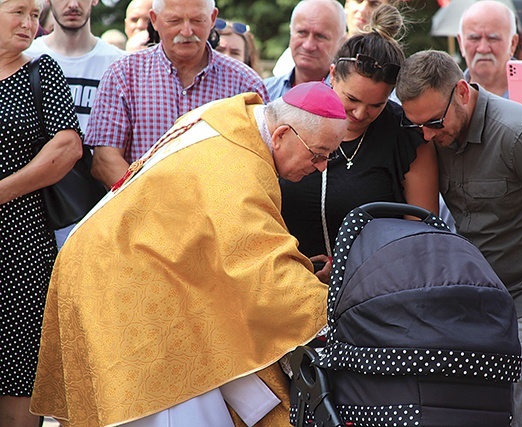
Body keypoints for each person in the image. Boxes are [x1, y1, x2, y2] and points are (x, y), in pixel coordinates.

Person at [29, 82, 348, 427]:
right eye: (318, 154)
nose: (321, 167)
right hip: (128, 283)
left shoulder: (230, 117)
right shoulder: (236, 168)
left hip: (131, 264)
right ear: (282, 134)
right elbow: (261, 269)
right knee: (167, 405)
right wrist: (340, 310)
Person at [396, 49, 522, 427]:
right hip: (488, 301)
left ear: (461, 91)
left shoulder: (520, 133)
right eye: (417, 126)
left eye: (435, 122)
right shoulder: (437, 135)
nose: (427, 134)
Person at [280, 4, 438, 273]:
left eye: (377, 105)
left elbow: (423, 235)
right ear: (331, 76)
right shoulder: (295, 117)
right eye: (351, 99)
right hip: (288, 282)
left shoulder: (408, 136)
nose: (361, 113)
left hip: (373, 287)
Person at [0, 0, 83, 424]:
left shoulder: (42, 70)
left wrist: (3, 191)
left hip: (20, 249)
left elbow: (67, 147)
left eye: (35, 15)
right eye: (19, 11)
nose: (30, 23)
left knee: (19, 375)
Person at [86, 0, 269, 188]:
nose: (187, 31)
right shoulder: (124, 74)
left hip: (218, 212)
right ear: (154, 20)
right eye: (174, 21)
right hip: (142, 210)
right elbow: (105, 160)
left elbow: (259, 164)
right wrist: (151, 206)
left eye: (197, 20)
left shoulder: (245, 84)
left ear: (213, 18)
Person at [25, 0, 124, 248]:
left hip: (100, 200)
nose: (72, 4)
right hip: (38, 201)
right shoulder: (28, 58)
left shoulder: (119, 63)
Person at [458, 0, 522, 102]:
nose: (483, 48)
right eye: (474, 38)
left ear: (513, 43)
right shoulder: (447, 101)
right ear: (460, 43)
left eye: (493, 39)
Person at [271, 0, 391, 77]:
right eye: (358, 1)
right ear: (347, 4)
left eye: (374, 4)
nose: (363, 9)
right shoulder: (292, 57)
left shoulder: (390, 64)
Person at [264, 0, 346, 100]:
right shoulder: (263, 94)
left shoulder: (348, 102)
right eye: (302, 33)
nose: (308, 45)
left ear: (341, 42)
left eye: (320, 36)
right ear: (291, 32)